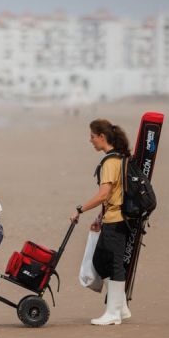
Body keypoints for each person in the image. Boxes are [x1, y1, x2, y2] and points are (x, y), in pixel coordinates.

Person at [70, 118, 133, 326]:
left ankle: (114, 312)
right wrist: (99, 217)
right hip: (112, 218)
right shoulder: (118, 159)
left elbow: (103, 194)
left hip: (117, 220)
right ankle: (121, 307)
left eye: (92, 136)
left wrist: (80, 209)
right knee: (100, 261)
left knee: (113, 264)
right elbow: (114, 193)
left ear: (102, 137)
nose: (90, 140)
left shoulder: (110, 162)